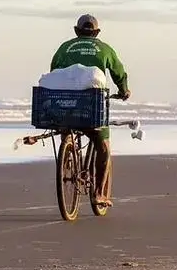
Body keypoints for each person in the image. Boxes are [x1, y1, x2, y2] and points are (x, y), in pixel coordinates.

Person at [49, 14, 131, 208]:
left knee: (66, 124)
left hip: (64, 104)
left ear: (77, 31)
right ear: (97, 32)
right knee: (103, 148)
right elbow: (119, 72)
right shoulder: (104, 48)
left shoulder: (64, 47)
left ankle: (68, 152)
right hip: (92, 107)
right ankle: (98, 194)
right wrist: (123, 90)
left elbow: (54, 72)